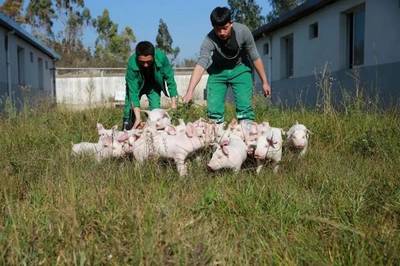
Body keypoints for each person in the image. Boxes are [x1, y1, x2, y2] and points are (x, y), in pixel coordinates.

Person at [183, 6, 271, 124]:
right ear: (213, 27)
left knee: (245, 107)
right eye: (217, 29)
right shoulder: (209, 39)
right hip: (218, 72)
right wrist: (190, 92)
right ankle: (216, 133)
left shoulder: (243, 32)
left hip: (240, 69)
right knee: (213, 111)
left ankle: (247, 132)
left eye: (225, 28)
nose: (221, 33)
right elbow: (201, 65)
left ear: (231, 23)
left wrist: (264, 82)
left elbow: (254, 56)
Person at [123, 41, 178, 130]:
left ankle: (155, 135)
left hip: (153, 86)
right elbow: (133, 93)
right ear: (137, 58)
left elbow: (170, 80)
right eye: (142, 62)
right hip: (137, 86)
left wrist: (174, 104)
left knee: (155, 113)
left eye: (148, 61)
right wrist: (138, 118)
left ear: (153, 56)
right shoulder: (132, 63)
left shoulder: (162, 58)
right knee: (129, 108)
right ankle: (127, 127)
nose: (145, 65)